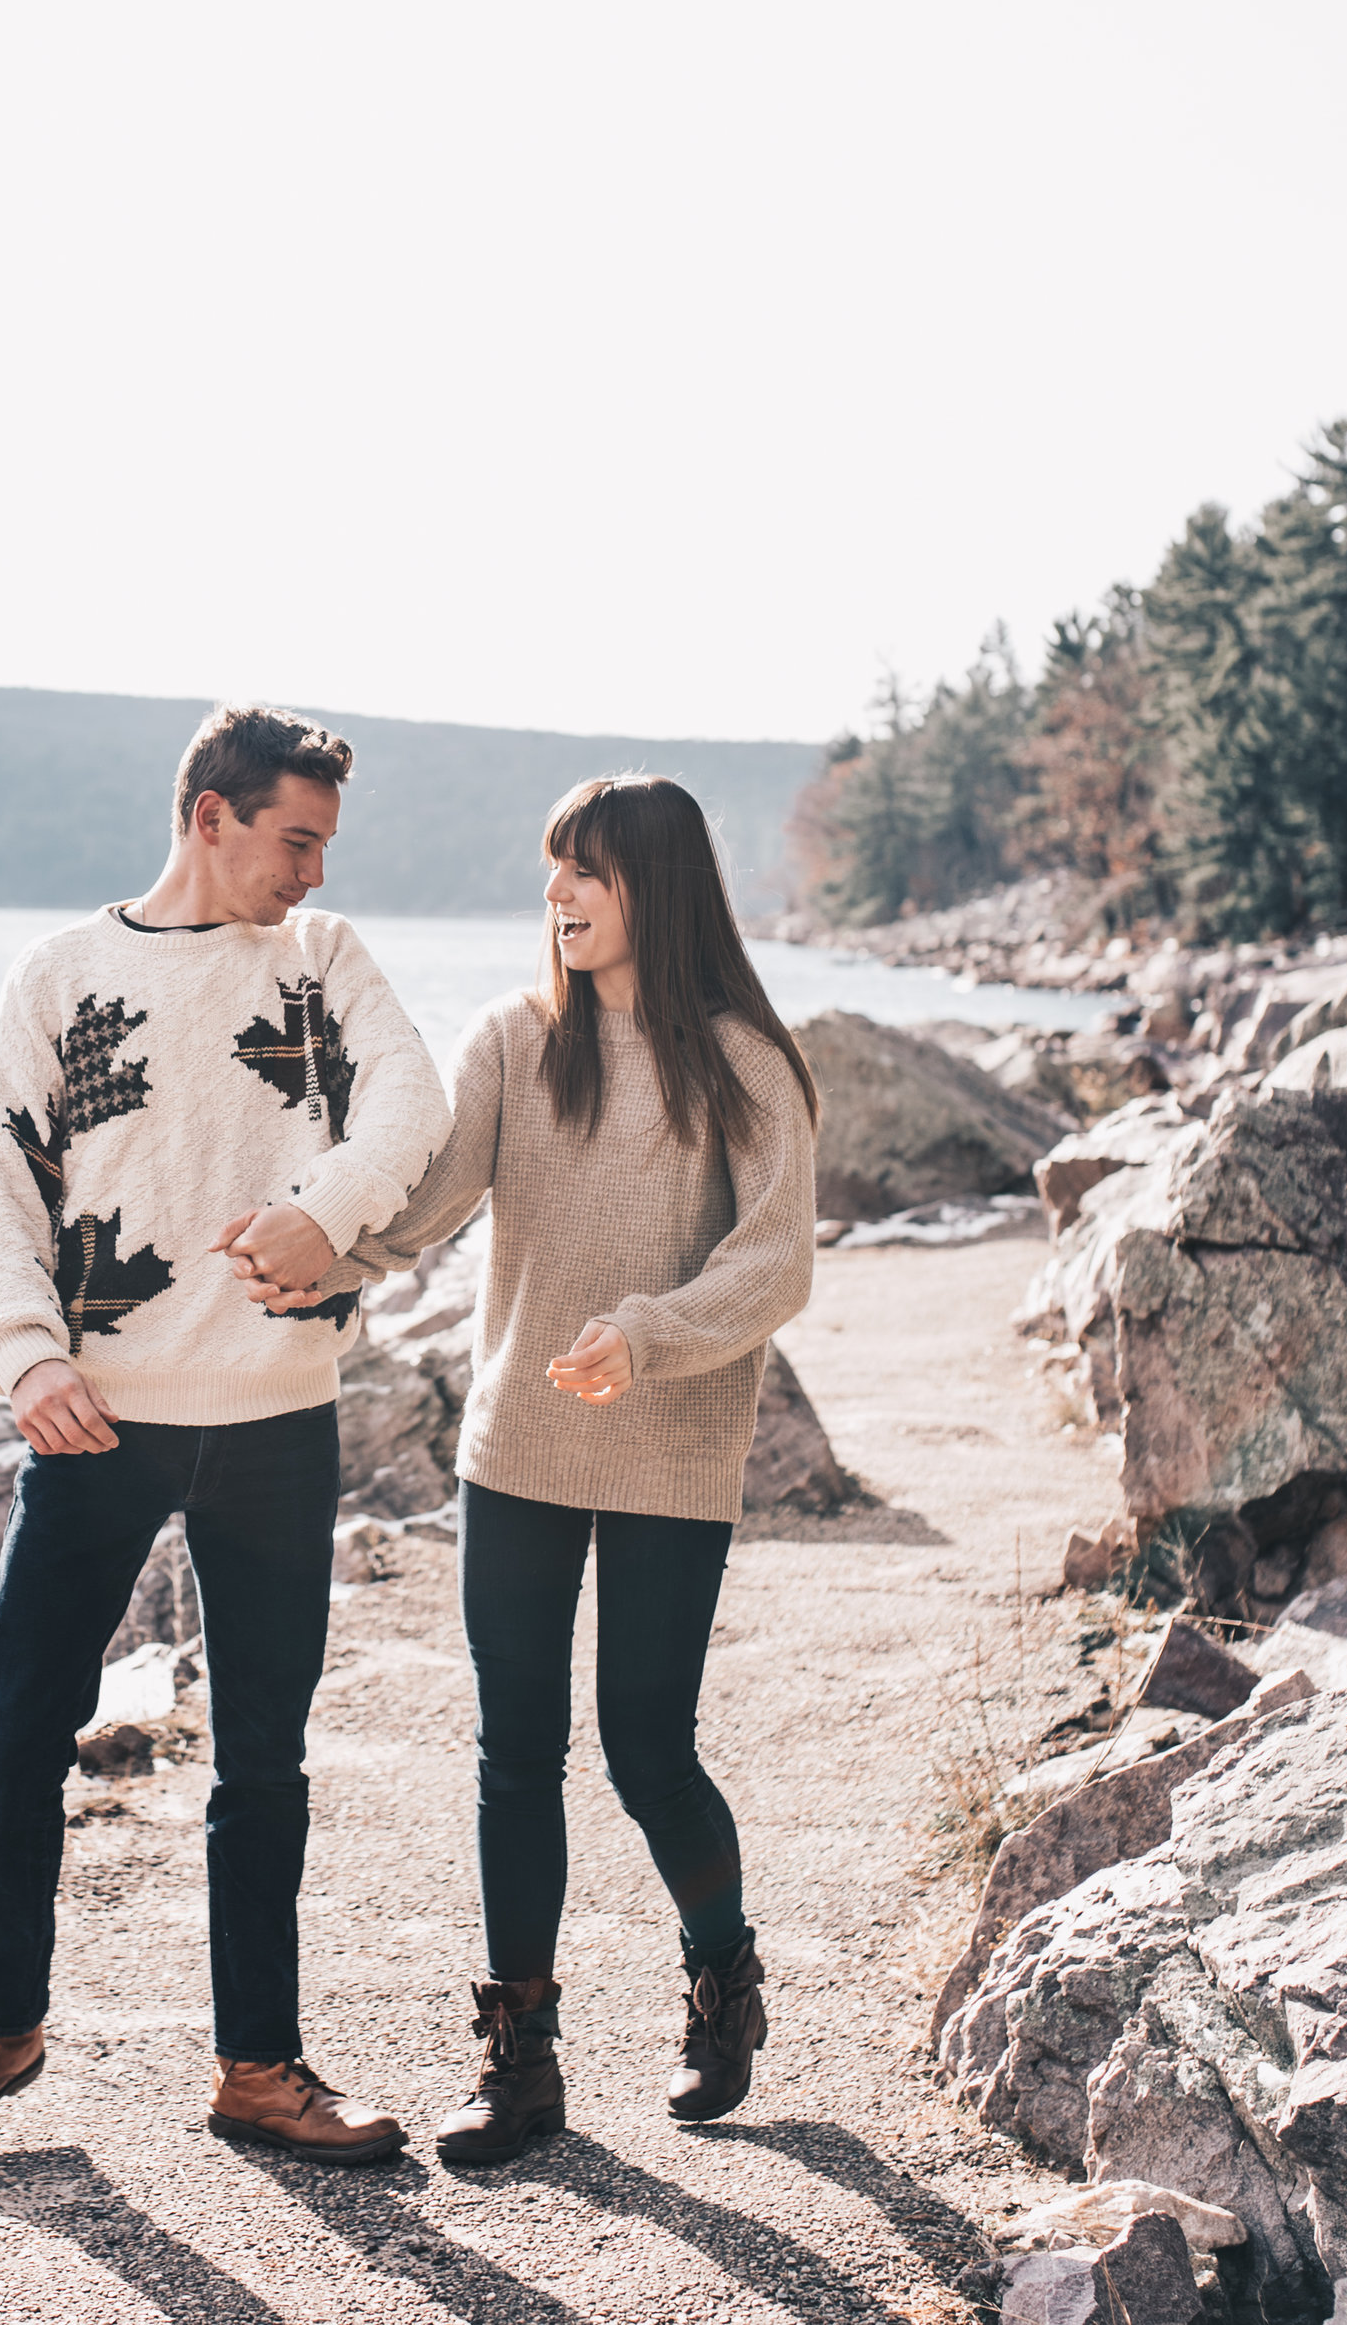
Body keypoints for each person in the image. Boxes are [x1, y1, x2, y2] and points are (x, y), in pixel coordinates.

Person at [0, 703, 453, 2164]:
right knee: (22, 1732)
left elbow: (415, 1098)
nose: (314, 871)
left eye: (326, 842)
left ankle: (261, 2067)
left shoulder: (324, 966)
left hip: (277, 1420)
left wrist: (325, 1212)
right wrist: (21, 1355)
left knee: (262, 1757)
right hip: (98, 1422)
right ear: (210, 814)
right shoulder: (62, 974)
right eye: (294, 838)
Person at [242, 772, 817, 2165]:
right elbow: (427, 1205)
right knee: (515, 1753)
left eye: (589, 874)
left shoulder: (743, 1058)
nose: (558, 896)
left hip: (672, 1444)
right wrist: (315, 1250)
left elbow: (776, 1258)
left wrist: (651, 1330)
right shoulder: (514, 1039)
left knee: (647, 1745)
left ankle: (722, 1976)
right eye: (553, 871)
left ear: (656, 891)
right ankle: (522, 2061)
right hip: (519, 1449)